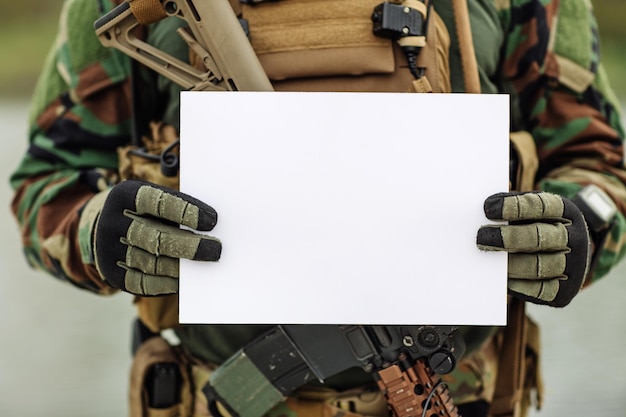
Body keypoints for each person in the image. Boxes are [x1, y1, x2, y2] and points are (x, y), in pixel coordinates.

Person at [9, 0, 626, 416]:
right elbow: (45, 185)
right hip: (211, 396)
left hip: (453, 394)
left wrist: (577, 231)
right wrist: (99, 232)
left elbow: (604, 168)